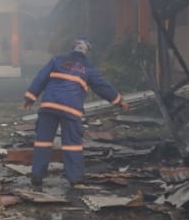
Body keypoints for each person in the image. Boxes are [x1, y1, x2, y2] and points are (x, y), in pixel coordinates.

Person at [23, 38, 129, 189]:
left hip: (49, 106)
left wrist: (30, 97)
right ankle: (75, 179)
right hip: (71, 109)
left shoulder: (56, 61)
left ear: (71, 49)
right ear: (87, 52)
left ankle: (37, 177)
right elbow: (102, 86)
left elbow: (41, 78)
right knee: (72, 144)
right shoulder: (88, 68)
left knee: (43, 142)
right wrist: (119, 100)